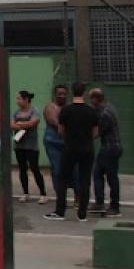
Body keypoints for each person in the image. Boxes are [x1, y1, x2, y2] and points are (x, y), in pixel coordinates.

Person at [45, 81, 98, 222]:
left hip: (70, 148)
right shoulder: (91, 110)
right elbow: (95, 132)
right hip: (87, 149)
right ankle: (82, 214)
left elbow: (61, 130)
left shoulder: (66, 110)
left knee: (62, 179)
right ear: (84, 93)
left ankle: (60, 211)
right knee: (85, 180)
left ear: (72, 92)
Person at [89, 87, 122, 217]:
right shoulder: (109, 108)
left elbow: (97, 133)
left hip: (109, 148)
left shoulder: (104, 114)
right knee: (101, 174)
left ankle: (113, 206)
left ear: (96, 99)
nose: (91, 102)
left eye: (92, 99)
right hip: (112, 147)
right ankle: (102, 203)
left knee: (107, 176)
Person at [11, 90, 46, 203]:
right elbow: (11, 124)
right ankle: (25, 193)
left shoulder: (34, 111)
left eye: (19, 98)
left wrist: (20, 124)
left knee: (35, 168)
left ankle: (43, 194)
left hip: (31, 146)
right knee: (22, 169)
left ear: (26, 99)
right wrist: (21, 125)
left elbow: (33, 123)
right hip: (19, 145)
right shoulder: (16, 112)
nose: (17, 101)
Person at [42, 84, 69, 203]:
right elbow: (54, 122)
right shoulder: (50, 107)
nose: (62, 96)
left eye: (64, 94)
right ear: (55, 95)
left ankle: (77, 197)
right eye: (59, 94)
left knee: (73, 170)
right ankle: (60, 197)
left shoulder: (69, 107)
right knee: (57, 169)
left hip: (67, 143)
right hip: (53, 143)